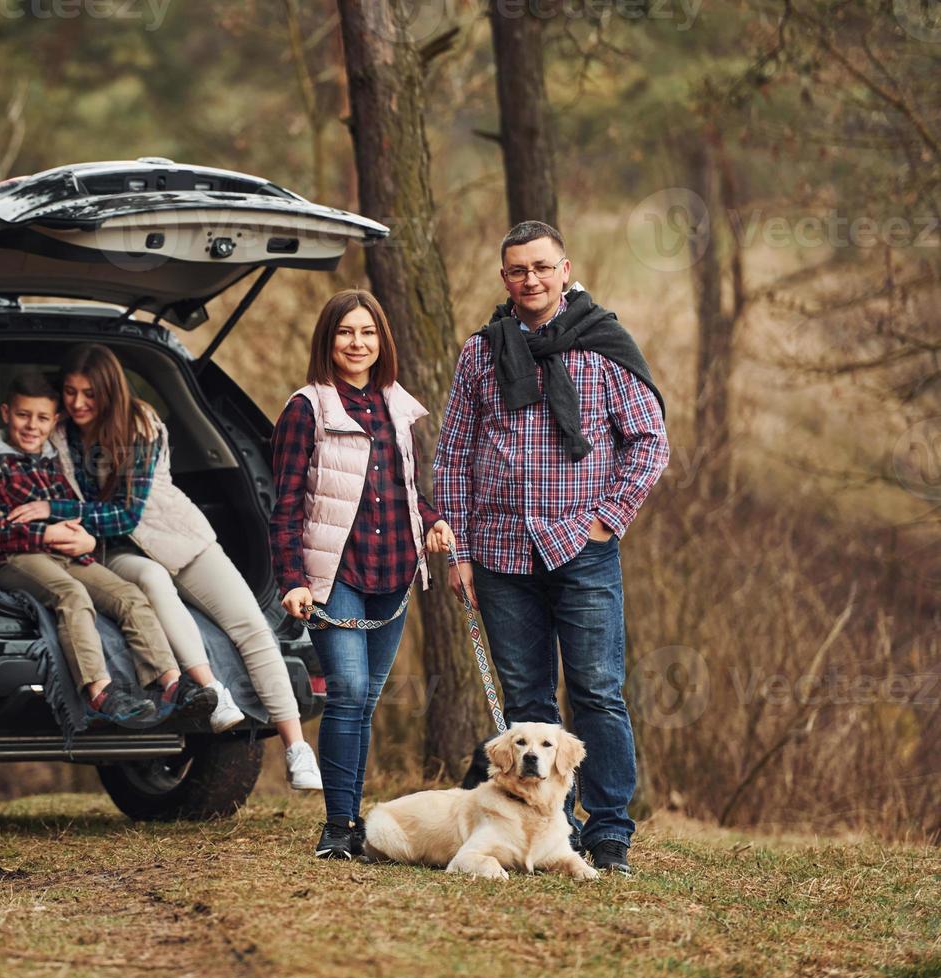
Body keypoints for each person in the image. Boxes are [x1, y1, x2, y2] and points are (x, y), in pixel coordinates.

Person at [0, 345, 324, 791]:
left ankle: (296, 747)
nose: (78, 404)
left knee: (251, 626)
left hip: (173, 535)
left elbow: (127, 513)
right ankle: (212, 694)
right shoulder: (57, 431)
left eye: (90, 395)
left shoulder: (140, 425)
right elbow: (13, 459)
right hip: (112, 550)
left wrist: (51, 507)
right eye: (72, 393)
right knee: (153, 583)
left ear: (110, 393)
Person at [432, 220, 670, 876]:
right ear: (504, 279)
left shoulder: (602, 346)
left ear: (565, 270)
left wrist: (607, 520)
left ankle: (610, 834)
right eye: (517, 271)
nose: (529, 280)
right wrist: (459, 552)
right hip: (501, 555)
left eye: (541, 268)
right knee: (527, 700)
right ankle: (548, 832)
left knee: (596, 690)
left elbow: (650, 441)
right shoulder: (481, 353)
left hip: (583, 549)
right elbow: (452, 455)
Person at [270, 288, 455, 860]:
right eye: (346, 332)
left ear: (382, 340)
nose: (358, 343)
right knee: (347, 693)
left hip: (396, 570)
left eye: (368, 332)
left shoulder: (397, 404)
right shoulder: (307, 408)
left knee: (366, 698)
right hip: (336, 573)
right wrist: (291, 579)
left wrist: (433, 519)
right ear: (329, 340)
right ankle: (338, 828)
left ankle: (352, 823)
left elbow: (405, 486)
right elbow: (284, 506)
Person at [0, 372, 217, 727]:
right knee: (72, 596)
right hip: (15, 558)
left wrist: (87, 539)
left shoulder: (55, 460)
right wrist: (47, 535)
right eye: (23, 415)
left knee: (129, 596)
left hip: (70, 552)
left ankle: (172, 685)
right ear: (6, 413)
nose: (31, 426)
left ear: (54, 421)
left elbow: (75, 510)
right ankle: (101, 692)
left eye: (41, 418)